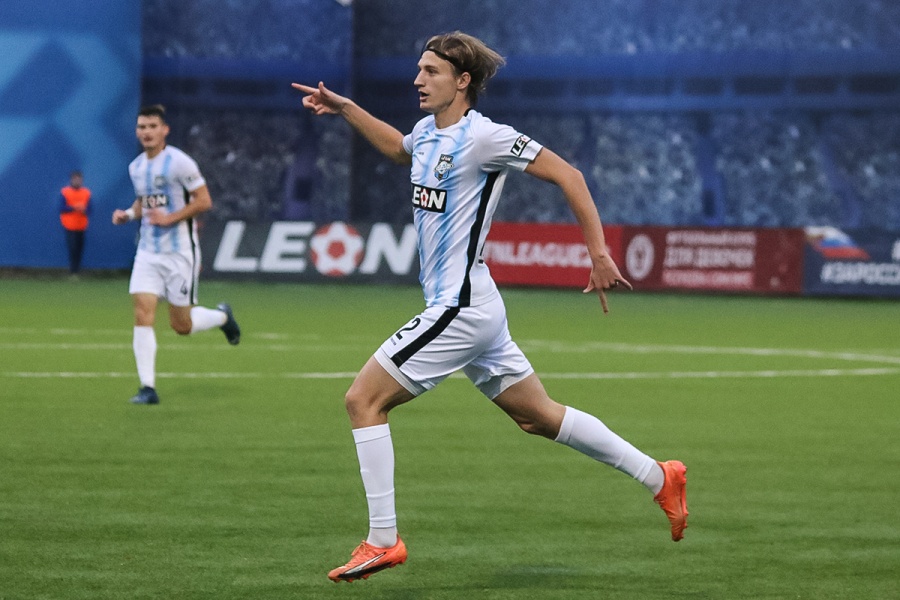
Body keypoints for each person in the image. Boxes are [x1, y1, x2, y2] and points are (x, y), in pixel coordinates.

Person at [294, 31, 688, 583]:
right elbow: (397, 148)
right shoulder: (426, 133)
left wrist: (598, 253)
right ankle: (659, 477)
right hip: (476, 302)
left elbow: (569, 175)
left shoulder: (486, 138)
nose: (417, 80)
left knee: (363, 400)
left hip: (460, 308)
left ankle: (383, 540)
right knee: (537, 416)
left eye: (431, 71)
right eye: (419, 69)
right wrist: (346, 109)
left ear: (463, 81)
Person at [112, 104, 241, 405]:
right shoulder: (136, 167)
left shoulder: (180, 163)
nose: (146, 132)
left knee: (181, 326)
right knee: (142, 313)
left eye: (152, 126)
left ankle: (222, 316)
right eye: (142, 127)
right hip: (147, 252)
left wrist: (170, 218)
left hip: (180, 253)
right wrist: (128, 214)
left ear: (164, 130)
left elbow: (204, 201)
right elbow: (145, 202)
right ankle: (147, 388)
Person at [59, 170, 91, 277]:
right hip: (69, 225)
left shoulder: (86, 192)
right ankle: (73, 271)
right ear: (71, 180)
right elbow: (61, 208)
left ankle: (77, 271)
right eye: (75, 179)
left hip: (81, 225)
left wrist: (83, 209)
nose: (77, 181)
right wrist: (73, 208)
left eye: (79, 179)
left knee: (79, 249)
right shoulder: (65, 192)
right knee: (72, 248)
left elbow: (89, 209)